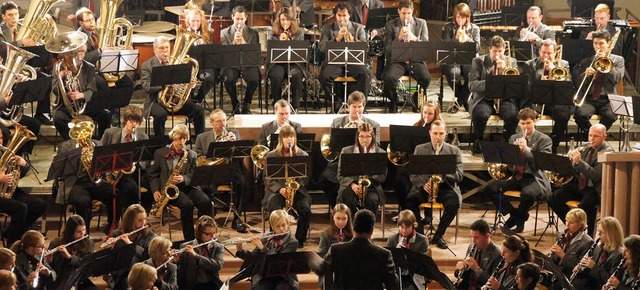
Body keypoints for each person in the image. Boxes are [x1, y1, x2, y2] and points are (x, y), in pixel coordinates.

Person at [487, 108, 552, 233]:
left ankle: (518, 223)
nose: (525, 127)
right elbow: (509, 161)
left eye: (528, 123)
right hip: (515, 175)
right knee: (491, 188)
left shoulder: (544, 140)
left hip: (534, 177)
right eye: (522, 124)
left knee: (528, 194)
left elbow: (542, 164)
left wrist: (527, 150)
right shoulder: (514, 138)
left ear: (535, 122)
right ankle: (516, 214)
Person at [149, 124, 212, 240]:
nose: (181, 142)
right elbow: (154, 174)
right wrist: (155, 190)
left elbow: (195, 174)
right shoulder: (160, 153)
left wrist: (184, 178)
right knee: (187, 205)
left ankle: (203, 235)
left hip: (187, 186)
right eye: (179, 138)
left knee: (205, 202)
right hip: (169, 190)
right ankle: (190, 239)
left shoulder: (191, 154)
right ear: (173, 137)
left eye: (184, 139)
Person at [74, 7, 135, 127]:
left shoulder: (97, 32)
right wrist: (100, 50)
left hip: (105, 67)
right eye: (88, 20)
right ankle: (108, 111)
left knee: (128, 83)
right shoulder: (79, 37)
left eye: (92, 19)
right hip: (89, 72)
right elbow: (83, 58)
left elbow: (111, 47)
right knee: (102, 83)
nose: (92, 22)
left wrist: (125, 49)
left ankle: (115, 109)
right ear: (81, 23)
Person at [549, 124, 613, 236]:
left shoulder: (608, 152)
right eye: (590, 135)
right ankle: (573, 226)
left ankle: (586, 235)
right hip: (579, 185)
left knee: (583, 207)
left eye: (596, 136)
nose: (591, 139)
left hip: (594, 189)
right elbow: (574, 169)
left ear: (604, 137)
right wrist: (569, 162)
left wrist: (579, 162)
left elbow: (596, 175)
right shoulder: (585, 147)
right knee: (552, 197)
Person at [407, 120, 463, 249]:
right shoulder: (420, 149)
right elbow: (413, 174)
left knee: (453, 204)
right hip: (426, 185)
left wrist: (444, 173)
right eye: (435, 133)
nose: (438, 137)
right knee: (410, 199)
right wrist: (423, 184)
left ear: (445, 134)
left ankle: (438, 235)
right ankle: (420, 235)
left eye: (441, 133)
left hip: (445, 186)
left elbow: (459, 176)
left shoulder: (454, 150)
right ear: (430, 133)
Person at [320, 91, 380, 209]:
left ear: (364, 106)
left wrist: (364, 130)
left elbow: (376, 146)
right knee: (325, 178)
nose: (357, 110)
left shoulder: (373, 124)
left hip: (364, 163)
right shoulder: (337, 122)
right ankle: (337, 207)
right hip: (342, 162)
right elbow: (332, 147)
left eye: (360, 107)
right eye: (354, 107)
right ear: (348, 106)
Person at [56, 116, 113, 233]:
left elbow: (106, 166)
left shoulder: (97, 144)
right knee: (83, 202)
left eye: (88, 130)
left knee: (114, 193)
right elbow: (61, 170)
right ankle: (83, 233)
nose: (86, 134)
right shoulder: (65, 146)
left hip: (95, 181)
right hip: (75, 183)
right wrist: (78, 154)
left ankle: (112, 226)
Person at [141, 35, 206, 139]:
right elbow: (146, 87)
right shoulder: (147, 65)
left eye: (167, 48)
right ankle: (160, 146)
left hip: (176, 101)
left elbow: (183, 83)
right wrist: (163, 85)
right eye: (161, 48)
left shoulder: (177, 63)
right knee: (160, 116)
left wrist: (190, 85)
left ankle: (201, 142)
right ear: (155, 50)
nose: (165, 51)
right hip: (156, 101)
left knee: (199, 110)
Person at [194, 109, 247, 233]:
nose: (223, 124)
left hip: (229, 169)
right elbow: (198, 158)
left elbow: (241, 156)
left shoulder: (234, 134)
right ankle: (207, 218)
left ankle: (237, 219)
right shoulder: (202, 137)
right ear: (211, 122)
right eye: (219, 121)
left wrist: (235, 144)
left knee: (242, 183)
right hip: (211, 170)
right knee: (204, 186)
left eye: (224, 120)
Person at [321, 209, 399, 290]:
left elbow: (323, 272)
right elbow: (393, 285)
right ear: (372, 230)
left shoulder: (336, 250)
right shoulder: (384, 254)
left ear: (353, 228)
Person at [469, 35, 519, 154]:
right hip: (485, 98)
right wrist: (492, 80)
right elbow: (472, 85)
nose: (497, 54)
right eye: (494, 51)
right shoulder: (479, 61)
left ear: (504, 50)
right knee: (480, 115)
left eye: (500, 51)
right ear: (489, 49)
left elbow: (516, 86)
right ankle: (478, 140)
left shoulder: (511, 62)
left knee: (512, 115)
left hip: (505, 98)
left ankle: (507, 141)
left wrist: (505, 70)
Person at [100, 105, 149, 227]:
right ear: (125, 120)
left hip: (134, 172)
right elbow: (100, 154)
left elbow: (145, 162)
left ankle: (137, 220)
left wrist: (135, 162)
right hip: (114, 173)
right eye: (132, 121)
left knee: (150, 187)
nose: (134, 125)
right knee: (130, 189)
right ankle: (123, 222)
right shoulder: (110, 133)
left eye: (137, 122)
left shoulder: (142, 137)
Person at [263, 125, 311, 248]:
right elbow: (267, 177)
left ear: (295, 138)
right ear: (281, 139)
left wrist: (296, 186)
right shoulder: (272, 155)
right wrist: (280, 189)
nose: (289, 139)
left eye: (291, 136)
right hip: (278, 192)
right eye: (286, 137)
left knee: (305, 210)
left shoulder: (303, 155)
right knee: (275, 210)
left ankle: (299, 240)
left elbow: (306, 177)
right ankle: (274, 237)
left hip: (297, 191)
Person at [51, 42, 110, 140]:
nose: (81, 55)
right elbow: (54, 90)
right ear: (72, 52)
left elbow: (91, 89)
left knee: (105, 115)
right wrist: (59, 77)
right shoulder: (58, 66)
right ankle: (72, 141)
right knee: (58, 119)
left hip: (84, 104)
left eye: (84, 52)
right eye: (79, 51)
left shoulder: (89, 67)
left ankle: (99, 142)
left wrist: (81, 95)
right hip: (65, 105)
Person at [319, 2, 368, 113]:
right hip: (334, 61)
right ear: (335, 16)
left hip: (353, 62)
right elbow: (322, 48)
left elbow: (365, 47)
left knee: (364, 74)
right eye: (339, 15)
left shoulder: (358, 28)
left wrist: (352, 39)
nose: (342, 19)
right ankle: (335, 101)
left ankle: (360, 105)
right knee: (325, 76)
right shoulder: (327, 28)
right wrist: (337, 38)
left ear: (349, 15)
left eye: (344, 15)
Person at [572, 30, 624, 136]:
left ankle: (596, 137)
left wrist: (607, 62)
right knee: (579, 115)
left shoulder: (618, 60)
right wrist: (586, 75)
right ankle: (594, 137)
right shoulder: (587, 61)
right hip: (590, 99)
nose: (598, 46)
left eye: (601, 43)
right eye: (595, 43)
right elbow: (578, 84)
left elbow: (617, 79)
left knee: (610, 116)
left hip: (608, 99)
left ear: (608, 44)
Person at [382, 0, 430, 113]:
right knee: (389, 78)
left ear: (412, 11)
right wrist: (398, 38)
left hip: (415, 60)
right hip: (397, 61)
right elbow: (387, 50)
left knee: (426, 78)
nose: (406, 16)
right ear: (399, 11)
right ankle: (394, 101)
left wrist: (414, 38)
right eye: (404, 13)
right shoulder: (391, 25)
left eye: (409, 13)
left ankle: (416, 100)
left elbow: (426, 46)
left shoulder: (421, 23)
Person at [0, 129, 46, 246]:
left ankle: (13, 232)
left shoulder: (4, 153)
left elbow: (18, 175)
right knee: (21, 208)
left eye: (0, 138)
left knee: (39, 205)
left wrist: (24, 165)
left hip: (8, 192)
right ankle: (13, 242)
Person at [525, 39, 572, 153]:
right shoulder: (530, 64)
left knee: (563, 115)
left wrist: (553, 70)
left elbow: (568, 82)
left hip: (554, 101)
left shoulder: (563, 64)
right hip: (535, 100)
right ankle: (529, 144)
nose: (546, 56)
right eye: (543, 52)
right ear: (539, 52)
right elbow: (527, 86)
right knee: (527, 115)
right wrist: (540, 76)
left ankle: (553, 144)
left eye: (549, 53)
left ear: (555, 53)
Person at [236, 209, 300, 289]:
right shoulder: (266, 238)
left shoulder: (292, 242)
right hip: (266, 275)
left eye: (283, 225)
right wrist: (241, 250)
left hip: (283, 277)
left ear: (288, 224)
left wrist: (263, 248)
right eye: (277, 226)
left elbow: (279, 262)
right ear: (273, 226)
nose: (281, 229)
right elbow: (254, 257)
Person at [337, 122, 387, 215]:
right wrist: (352, 184)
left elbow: (382, 177)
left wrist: (368, 179)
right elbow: (340, 174)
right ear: (357, 137)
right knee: (349, 199)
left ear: (372, 137)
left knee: (371, 201)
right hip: (351, 185)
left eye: (368, 136)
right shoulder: (346, 151)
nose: (365, 140)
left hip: (372, 186)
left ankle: (368, 227)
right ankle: (351, 227)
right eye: (362, 136)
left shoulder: (380, 152)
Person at [105, 204, 157, 290]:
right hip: (121, 273)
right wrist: (110, 248)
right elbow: (112, 260)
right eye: (140, 220)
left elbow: (147, 256)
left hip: (141, 273)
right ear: (131, 221)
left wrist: (130, 244)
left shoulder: (149, 236)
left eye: (144, 219)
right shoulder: (117, 233)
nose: (143, 223)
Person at [220, 6, 261, 114]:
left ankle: (247, 103)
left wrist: (243, 41)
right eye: (237, 19)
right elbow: (224, 53)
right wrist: (234, 42)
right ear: (232, 17)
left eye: (242, 19)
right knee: (228, 79)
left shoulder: (253, 32)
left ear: (246, 18)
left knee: (254, 79)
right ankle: (235, 103)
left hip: (248, 64)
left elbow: (254, 53)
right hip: (231, 64)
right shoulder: (224, 32)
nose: (239, 22)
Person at [442, 3, 480, 111]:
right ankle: (464, 99)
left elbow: (477, 47)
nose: (460, 20)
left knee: (471, 74)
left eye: (462, 17)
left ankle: (459, 101)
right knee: (453, 74)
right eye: (458, 17)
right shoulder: (448, 27)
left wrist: (468, 39)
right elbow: (445, 46)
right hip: (453, 59)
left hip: (468, 59)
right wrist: (455, 38)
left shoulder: (475, 29)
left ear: (467, 17)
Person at [267, 8, 306, 110]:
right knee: (276, 75)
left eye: (288, 20)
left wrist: (289, 40)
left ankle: (295, 106)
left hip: (294, 62)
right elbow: (270, 50)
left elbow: (300, 51)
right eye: (283, 19)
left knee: (296, 75)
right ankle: (277, 105)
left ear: (292, 21)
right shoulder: (272, 32)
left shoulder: (299, 32)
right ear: (279, 20)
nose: (285, 22)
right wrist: (279, 42)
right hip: (277, 63)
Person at [571, 216, 625, 290]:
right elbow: (590, 271)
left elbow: (611, 280)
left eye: (601, 232)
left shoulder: (619, 254)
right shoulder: (598, 247)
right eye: (598, 231)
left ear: (611, 234)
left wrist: (593, 267)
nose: (598, 234)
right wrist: (581, 268)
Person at [45, 215, 96, 290]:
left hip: (79, 281)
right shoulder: (56, 243)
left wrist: (69, 257)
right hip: (60, 281)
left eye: (84, 230)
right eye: (78, 232)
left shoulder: (88, 243)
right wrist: (49, 262)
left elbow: (86, 264)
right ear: (70, 232)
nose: (82, 234)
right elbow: (53, 270)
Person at [386, 210, 429, 290]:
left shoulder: (422, 240)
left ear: (413, 226)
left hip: (414, 277)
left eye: (407, 227)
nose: (404, 230)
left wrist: (406, 254)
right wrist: (396, 253)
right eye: (402, 227)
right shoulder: (392, 239)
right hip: (396, 276)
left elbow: (423, 264)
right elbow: (387, 264)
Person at [548, 208, 595, 282]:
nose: (567, 225)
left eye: (571, 222)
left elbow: (580, 268)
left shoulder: (587, 242)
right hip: (557, 274)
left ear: (580, 224)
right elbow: (554, 260)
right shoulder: (562, 235)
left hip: (571, 279)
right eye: (566, 221)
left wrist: (563, 255)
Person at [178, 216, 224, 290]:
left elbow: (218, 265)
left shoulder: (218, 247)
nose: (212, 237)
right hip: (192, 286)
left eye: (213, 233)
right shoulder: (185, 246)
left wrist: (196, 256)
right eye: (208, 234)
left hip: (211, 284)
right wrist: (175, 260)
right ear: (199, 233)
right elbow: (180, 272)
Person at [454, 219, 503, 290]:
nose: (473, 241)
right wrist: (459, 269)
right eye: (472, 237)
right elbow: (464, 276)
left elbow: (492, 285)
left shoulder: (497, 254)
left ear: (487, 236)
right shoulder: (471, 246)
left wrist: (477, 269)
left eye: (476, 237)